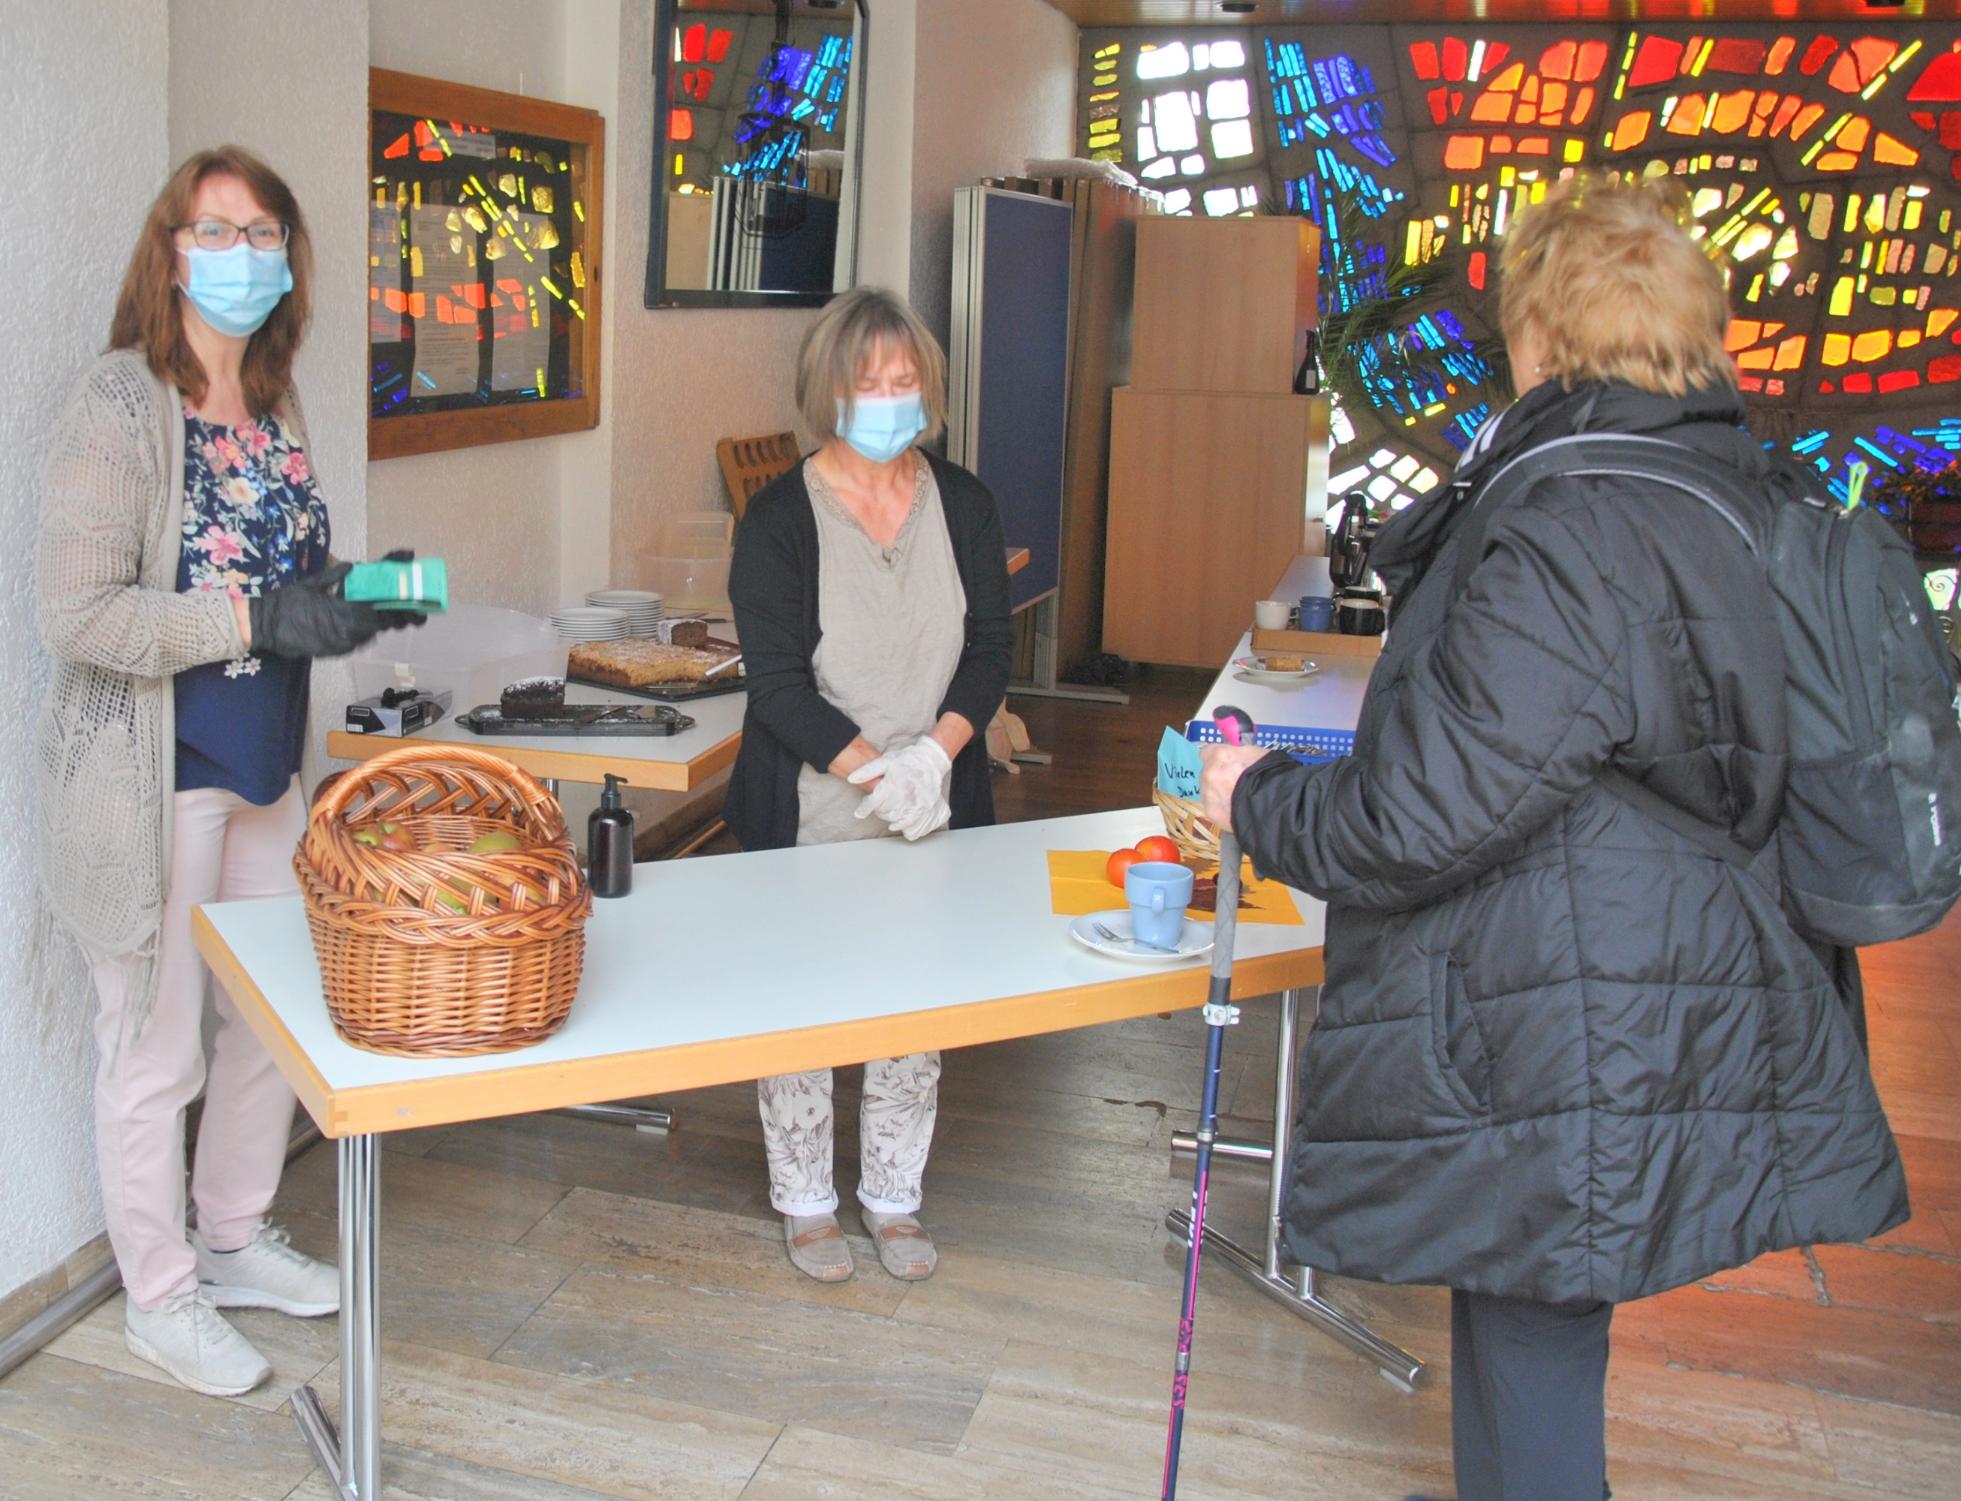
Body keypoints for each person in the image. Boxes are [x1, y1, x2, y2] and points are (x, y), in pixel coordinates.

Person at [1200, 174, 1907, 1501]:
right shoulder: (1715, 486)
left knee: (1533, 1325)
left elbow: (1420, 811)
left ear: (1539, 336)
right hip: (1643, 971)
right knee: (1526, 1297)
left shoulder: (1577, 522)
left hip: (1567, 1002)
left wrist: (1255, 800)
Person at [36, 147, 412, 1398]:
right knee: (154, 1047)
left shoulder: (276, 396)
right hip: (160, 778)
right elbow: (81, 615)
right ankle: (162, 1295)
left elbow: (273, 575)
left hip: (266, 770)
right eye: (218, 230)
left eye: (264, 233)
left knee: (264, 1026)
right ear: (172, 249)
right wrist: (259, 621)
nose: (241, 253)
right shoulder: (117, 404)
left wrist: (347, 600)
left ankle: (236, 1236)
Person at [725, 287, 1012, 1282]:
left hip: (930, 803)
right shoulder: (775, 521)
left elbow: (987, 646)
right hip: (814, 807)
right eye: (868, 382)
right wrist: (872, 771)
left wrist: (936, 754)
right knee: (800, 1006)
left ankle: (892, 1194)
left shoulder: (961, 502)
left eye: (905, 382)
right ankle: (805, 1201)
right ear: (826, 391)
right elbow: (775, 686)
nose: (892, 399)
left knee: (910, 1005)